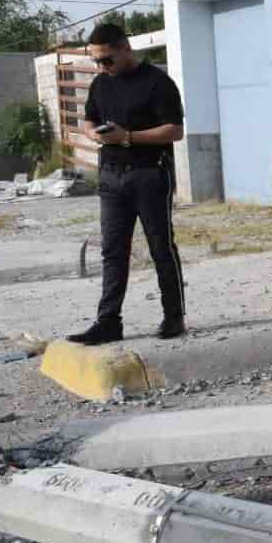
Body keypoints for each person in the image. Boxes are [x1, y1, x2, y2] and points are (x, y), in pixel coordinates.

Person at [67, 22, 187, 345]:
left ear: (126, 49)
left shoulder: (157, 83)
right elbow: (89, 119)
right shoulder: (100, 84)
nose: (102, 67)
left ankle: (174, 316)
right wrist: (94, 134)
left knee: (161, 246)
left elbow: (175, 131)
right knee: (112, 251)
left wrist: (129, 137)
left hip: (149, 174)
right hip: (111, 177)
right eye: (96, 61)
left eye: (107, 60)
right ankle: (108, 322)